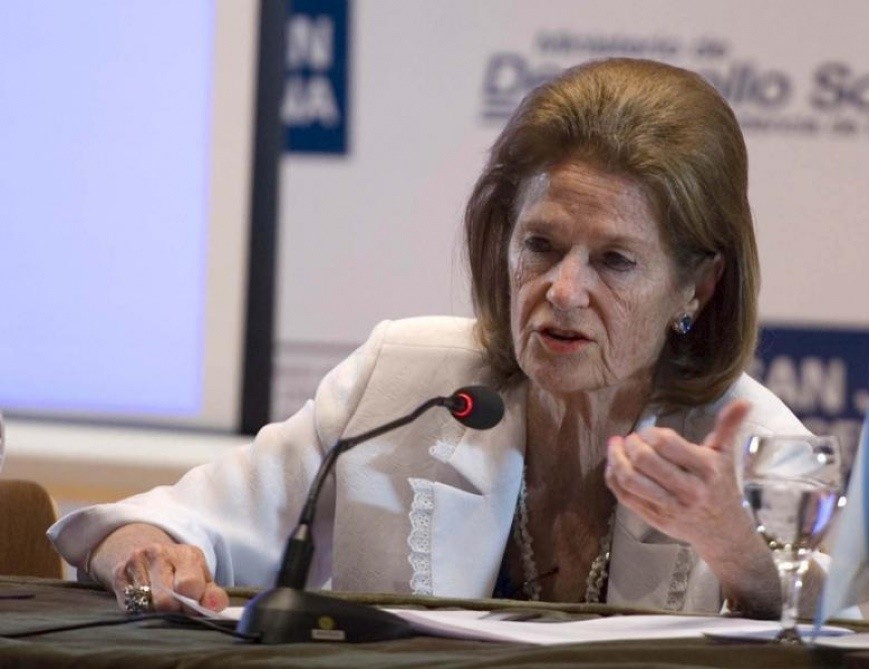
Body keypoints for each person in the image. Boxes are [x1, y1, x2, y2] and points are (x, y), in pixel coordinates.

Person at [49, 58, 825, 618]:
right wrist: (148, 556)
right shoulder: (406, 380)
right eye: (541, 245)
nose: (563, 290)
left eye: (614, 260)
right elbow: (152, 524)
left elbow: (833, 625)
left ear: (697, 286)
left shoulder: (754, 447)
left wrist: (737, 550)